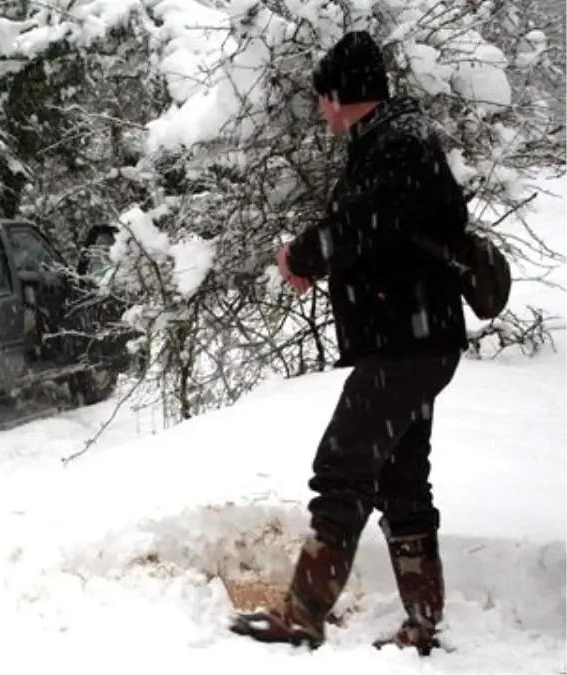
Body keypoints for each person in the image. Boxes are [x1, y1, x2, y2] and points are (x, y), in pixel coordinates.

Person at [229, 31, 468, 655]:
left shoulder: (399, 144)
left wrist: (304, 255)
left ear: (341, 95)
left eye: (322, 98)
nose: (320, 111)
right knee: (401, 480)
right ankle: (423, 625)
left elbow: (365, 221)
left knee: (342, 465)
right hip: (413, 338)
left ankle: (302, 613)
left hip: (407, 344)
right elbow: (374, 225)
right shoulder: (393, 138)